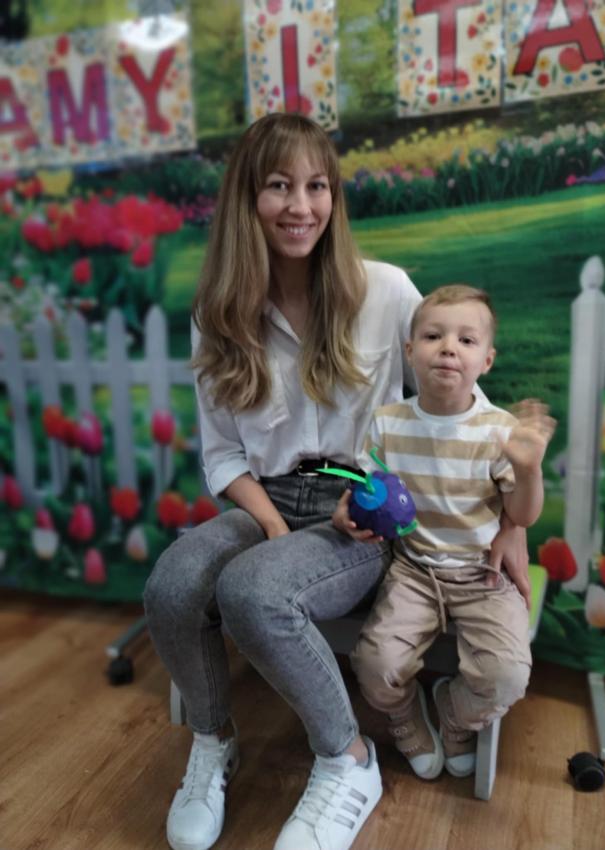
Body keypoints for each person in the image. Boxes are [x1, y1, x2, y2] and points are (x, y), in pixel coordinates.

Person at [143, 115, 528, 850]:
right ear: (248, 199)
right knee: (172, 585)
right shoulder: (217, 313)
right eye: (279, 186)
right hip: (266, 500)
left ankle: (348, 760)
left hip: (359, 507)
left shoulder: (385, 291)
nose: (301, 206)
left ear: (333, 197)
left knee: (255, 591)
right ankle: (213, 739)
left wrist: (512, 521)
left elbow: (466, 407)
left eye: (316, 186)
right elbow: (222, 455)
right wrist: (272, 527)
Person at [335, 284, 555, 782]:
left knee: (506, 675)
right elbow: (366, 488)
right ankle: (404, 715)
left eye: (466, 340)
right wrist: (345, 510)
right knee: (374, 664)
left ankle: (453, 714)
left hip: (483, 573)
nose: (449, 348)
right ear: (410, 351)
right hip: (413, 570)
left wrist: (529, 471)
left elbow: (522, 516)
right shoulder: (387, 424)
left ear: (487, 361)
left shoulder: (498, 430)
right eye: (434, 336)